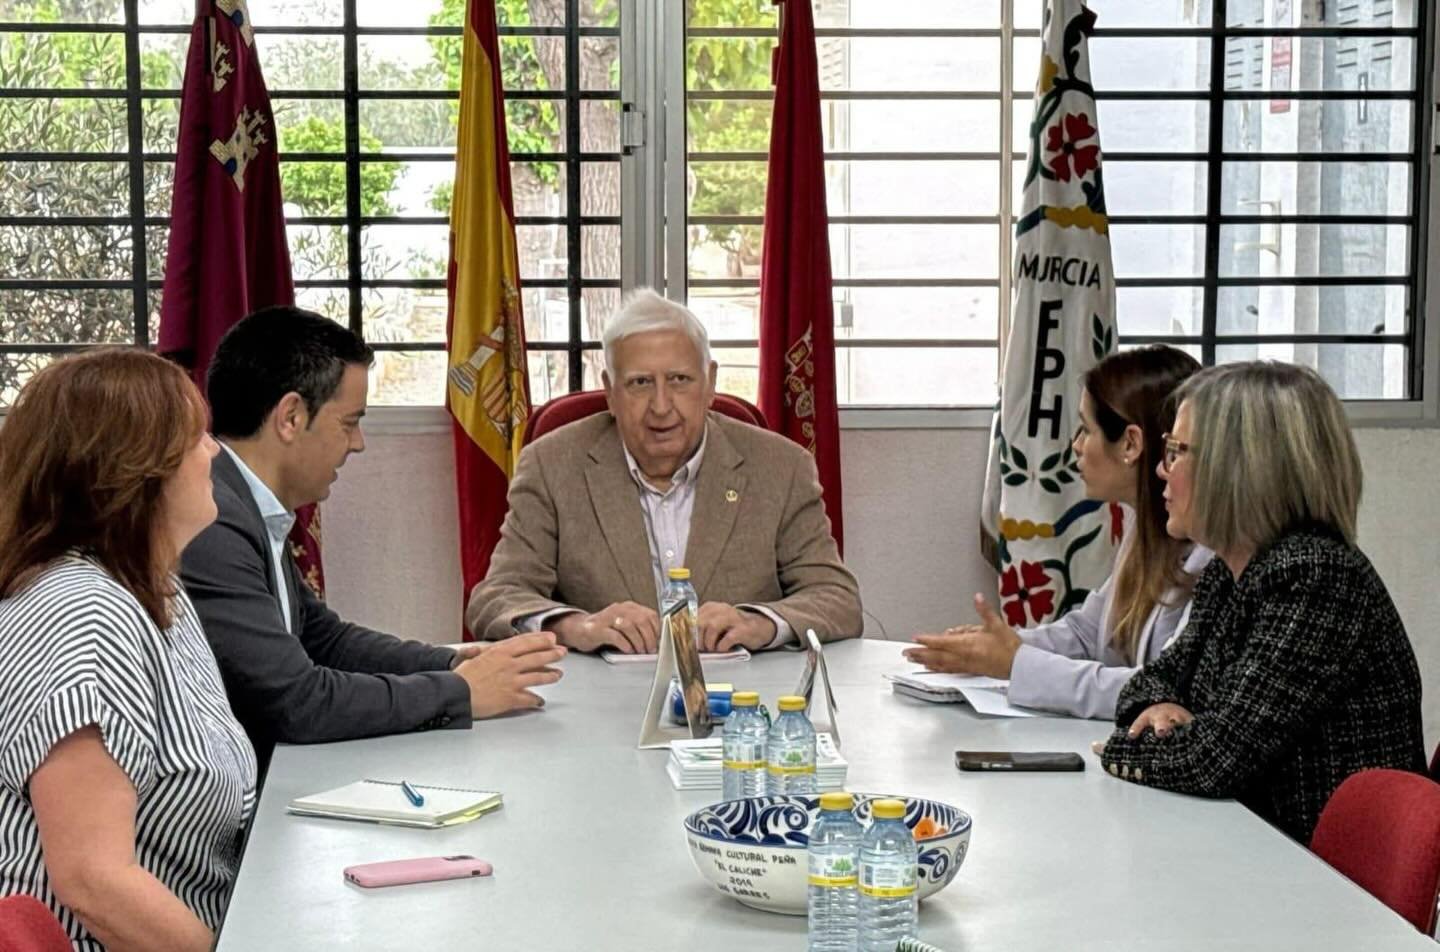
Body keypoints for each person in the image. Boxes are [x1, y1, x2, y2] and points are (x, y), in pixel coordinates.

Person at [181, 307, 566, 768]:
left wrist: (450, 662)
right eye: (349, 422)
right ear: (290, 417)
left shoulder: (246, 501)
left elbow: (325, 640)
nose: (359, 443)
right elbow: (297, 702)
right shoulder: (215, 520)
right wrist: (461, 692)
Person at [1097, 361, 1424, 842]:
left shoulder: (1315, 577)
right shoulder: (1229, 573)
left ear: (1238, 466)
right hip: (1248, 851)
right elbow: (1148, 686)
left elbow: (1213, 761)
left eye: (1175, 451)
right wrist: (1164, 708)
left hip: (1319, 884)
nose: (1161, 470)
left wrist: (1119, 749)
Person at [0, 349, 256, 950]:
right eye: (196, 437)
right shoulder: (84, 612)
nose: (214, 452)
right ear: (133, 470)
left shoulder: (153, 586)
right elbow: (94, 881)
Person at [467, 288, 862, 653]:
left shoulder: (781, 467)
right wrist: (577, 626)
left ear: (710, 383)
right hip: (602, 704)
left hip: (744, 704)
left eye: (679, 380)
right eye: (640, 383)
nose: (661, 406)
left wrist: (760, 623)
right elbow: (496, 597)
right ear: (610, 391)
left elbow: (837, 599)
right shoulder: (551, 465)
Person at [905, 345, 1211, 719]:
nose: (1076, 446)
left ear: (1130, 443)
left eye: (1086, 428)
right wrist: (995, 648)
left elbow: (1159, 689)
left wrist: (1016, 663)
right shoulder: (1144, 525)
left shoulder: (1210, 553)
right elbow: (1089, 632)